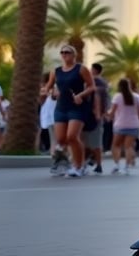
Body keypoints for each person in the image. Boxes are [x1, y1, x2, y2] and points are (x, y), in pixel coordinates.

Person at [43, 45, 95, 177]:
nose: (65, 54)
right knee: (60, 139)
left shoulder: (81, 69)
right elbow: (47, 88)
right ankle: (67, 162)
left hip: (77, 108)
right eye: (62, 52)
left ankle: (79, 166)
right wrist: (52, 92)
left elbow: (92, 86)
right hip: (61, 108)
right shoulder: (56, 71)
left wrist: (80, 95)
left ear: (74, 55)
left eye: (68, 52)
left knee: (72, 137)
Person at [109, 78, 139, 175]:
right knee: (128, 147)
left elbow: (112, 112)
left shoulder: (117, 97)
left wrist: (107, 114)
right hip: (133, 124)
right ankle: (126, 167)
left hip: (120, 124)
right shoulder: (136, 97)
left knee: (115, 145)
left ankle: (117, 165)